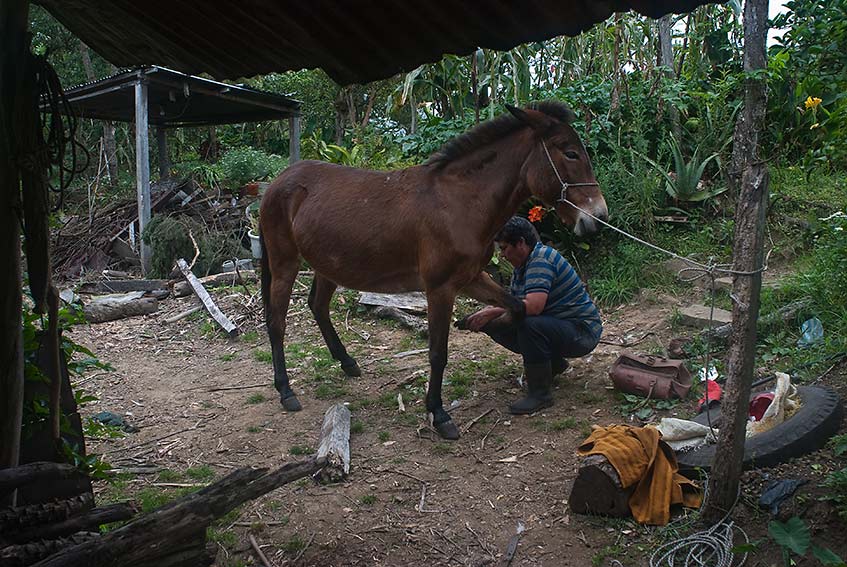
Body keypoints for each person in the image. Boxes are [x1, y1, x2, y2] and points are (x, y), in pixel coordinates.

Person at [463, 216, 602, 414]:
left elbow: (533, 308)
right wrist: (487, 317)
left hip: (582, 332)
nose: (502, 255)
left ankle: (540, 395)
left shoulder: (540, 260)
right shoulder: (523, 266)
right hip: (561, 326)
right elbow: (517, 305)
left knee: (529, 324)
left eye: (504, 248)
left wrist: (493, 311)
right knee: (498, 323)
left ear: (520, 243)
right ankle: (553, 363)